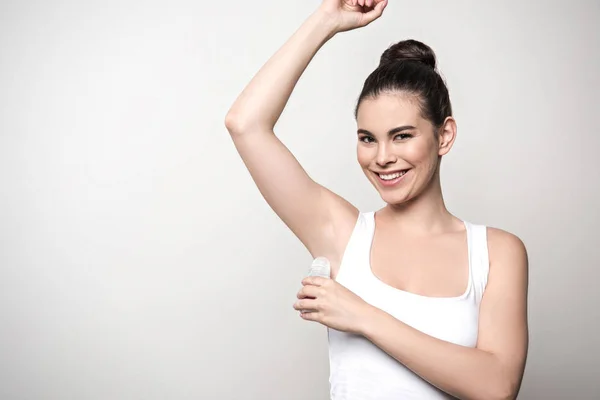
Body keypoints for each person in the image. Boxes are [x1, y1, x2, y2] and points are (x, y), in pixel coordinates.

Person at [224, 0, 529, 398]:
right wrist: (327, 19)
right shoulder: (342, 235)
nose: (382, 157)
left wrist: (364, 316)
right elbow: (245, 124)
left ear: (444, 135)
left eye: (402, 135)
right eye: (367, 138)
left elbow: (497, 386)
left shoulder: (497, 253)